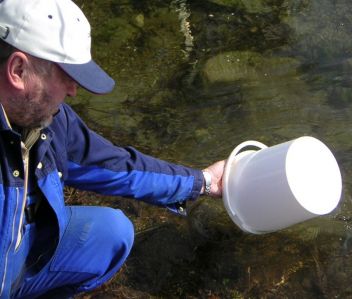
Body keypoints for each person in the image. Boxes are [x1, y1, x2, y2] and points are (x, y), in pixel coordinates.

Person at [0, 0, 225, 298]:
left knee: (111, 233)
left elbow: (116, 165)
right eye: (66, 76)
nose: (73, 90)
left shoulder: (49, 120)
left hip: (17, 259)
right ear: (18, 70)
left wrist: (204, 182)